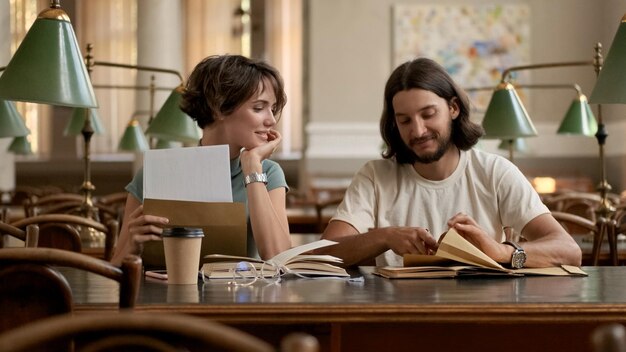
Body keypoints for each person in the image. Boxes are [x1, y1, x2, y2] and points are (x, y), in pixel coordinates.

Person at [320, 58, 582, 268]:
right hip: (397, 317)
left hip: (483, 316)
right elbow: (326, 252)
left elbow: (569, 251)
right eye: (405, 120)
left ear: (454, 108)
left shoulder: (495, 172)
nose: (418, 130)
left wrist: (500, 252)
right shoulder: (374, 176)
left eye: (428, 114)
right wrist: (385, 236)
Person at [111, 54, 291, 265]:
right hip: (165, 296)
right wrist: (132, 245)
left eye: (273, 108)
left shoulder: (268, 172)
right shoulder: (155, 173)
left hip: (242, 295)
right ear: (219, 107)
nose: (270, 119)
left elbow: (279, 257)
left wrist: (252, 168)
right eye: (259, 108)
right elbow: (114, 272)